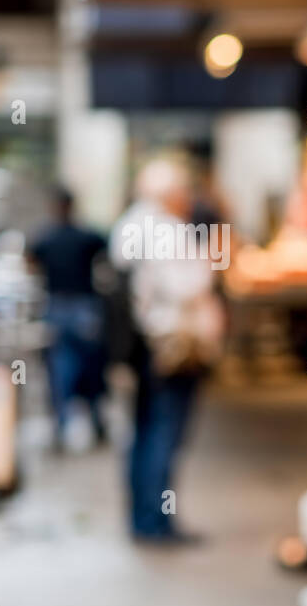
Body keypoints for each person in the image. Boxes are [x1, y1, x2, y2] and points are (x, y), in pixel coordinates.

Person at [109, 157, 225, 544]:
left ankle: (143, 516)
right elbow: (187, 286)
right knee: (164, 433)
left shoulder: (129, 223)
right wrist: (214, 258)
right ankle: (157, 521)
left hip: (143, 344)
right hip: (169, 344)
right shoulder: (163, 229)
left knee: (144, 431)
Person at [28, 186, 110, 450]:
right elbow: (108, 255)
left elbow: (30, 262)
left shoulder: (45, 238)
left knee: (61, 371)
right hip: (85, 309)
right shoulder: (87, 236)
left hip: (57, 309)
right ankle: (97, 422)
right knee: (92, 367)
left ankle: (62, 427)